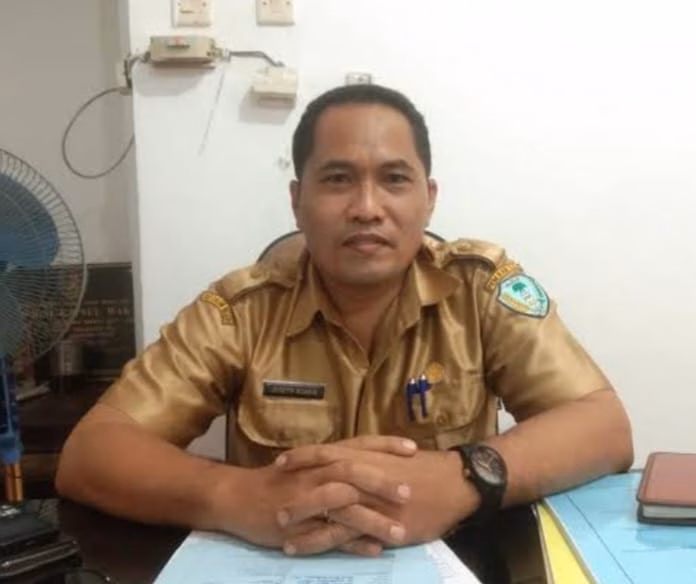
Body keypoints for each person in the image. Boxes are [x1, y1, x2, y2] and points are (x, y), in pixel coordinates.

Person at [55, 83, 633, 560]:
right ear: (297, 199)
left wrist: (465, 478)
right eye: (337, 179)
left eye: (394, 179)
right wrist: (234, 495)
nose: (367, 207)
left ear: (429, 198)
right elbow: (93, 452)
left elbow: (603, 425)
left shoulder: (479, 290)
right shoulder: (240, 312)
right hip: (277, 567)